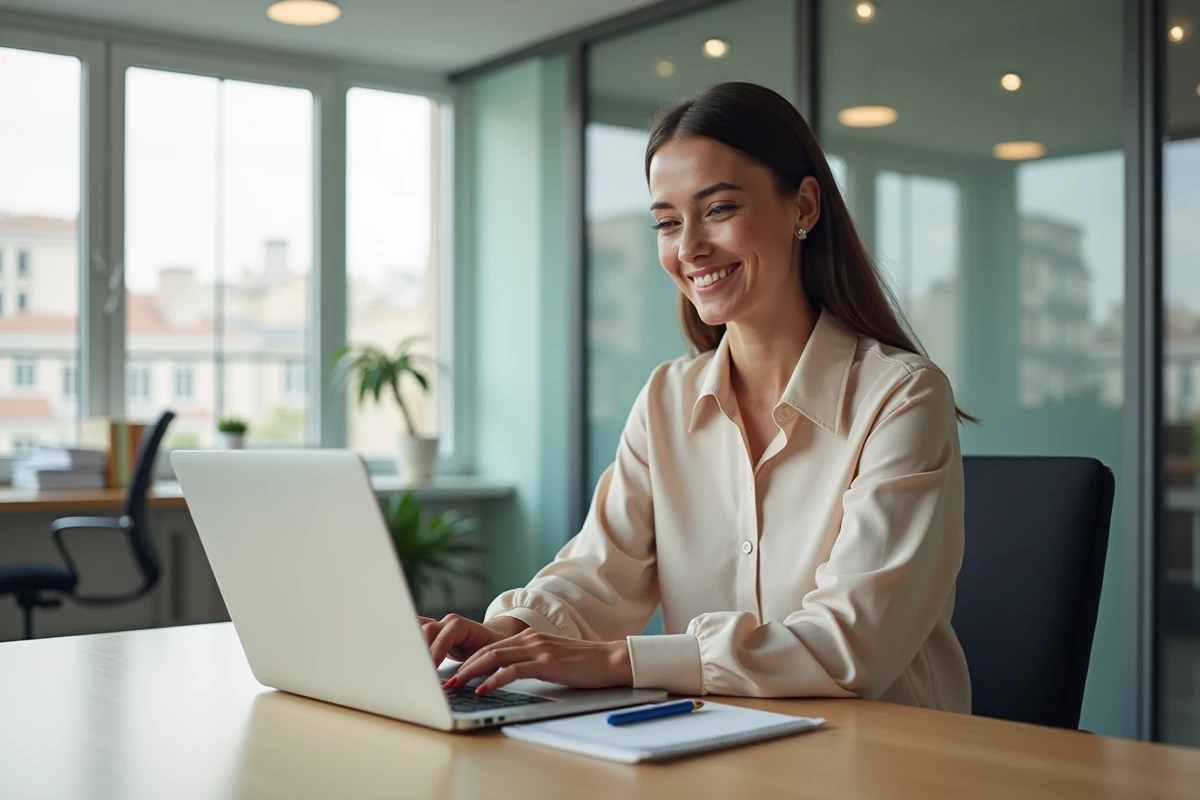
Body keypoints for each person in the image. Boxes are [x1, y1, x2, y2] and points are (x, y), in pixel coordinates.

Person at [423, 81, 972, 713]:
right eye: (667, 222)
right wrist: (507, 635)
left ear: (804, 206)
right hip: (721, 742)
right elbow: (600, 575)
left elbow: (852, 642)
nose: (688, 248)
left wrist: (618, 662)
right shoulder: (667, 397)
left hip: (882, 749)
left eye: (719, 209)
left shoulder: (902, 397)